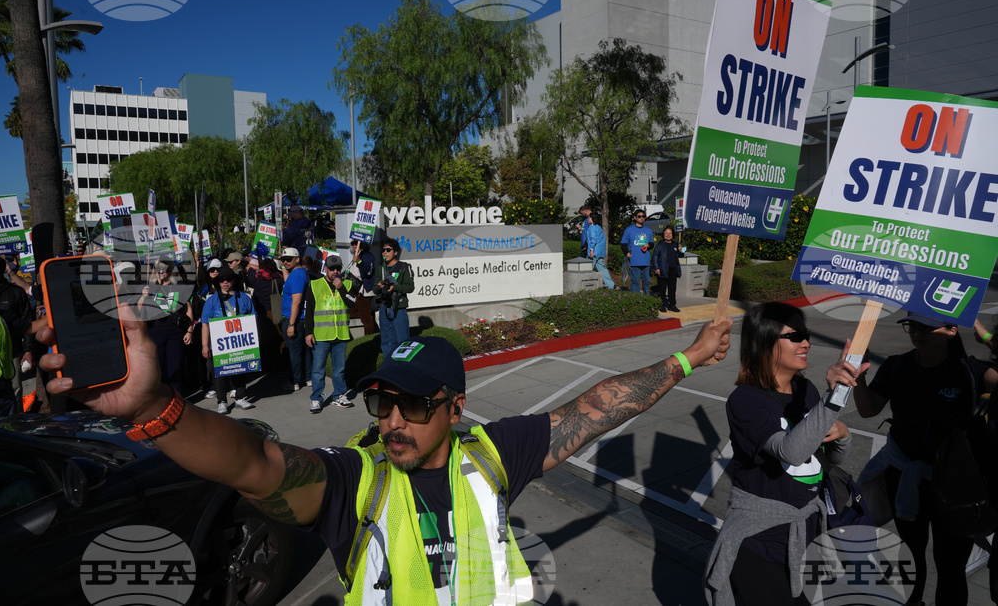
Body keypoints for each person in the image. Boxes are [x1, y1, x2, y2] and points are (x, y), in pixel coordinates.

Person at [37, 294, 732, 604]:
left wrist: (690, 358)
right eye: (382, 401)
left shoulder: (493, 453)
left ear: (456, 409)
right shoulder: (355, 482)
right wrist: (157, 410)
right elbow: (254, 464)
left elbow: (599, 407)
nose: (393, 419)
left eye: (413, 404)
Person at [705, 302, 862, 606]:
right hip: (761, 543)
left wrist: (843, 434)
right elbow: (790, 451)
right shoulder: (745, 401)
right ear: (764, 342)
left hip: (805, 539)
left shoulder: (807, 391)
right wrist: (833, 398)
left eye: (805, 335)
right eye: (794, 336)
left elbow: (824, 461)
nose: (806, 343)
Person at [853, 312, 998, 606]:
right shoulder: (896, 365)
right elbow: (868, 410)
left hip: (955, 484)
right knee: (910, 554)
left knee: (951, 565)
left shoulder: (971, 369)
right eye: (912, 326)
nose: (917, 333)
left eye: (927, 327)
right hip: (905, 476)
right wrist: (859, 376)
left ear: (951, 331)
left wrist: (989, 339)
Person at [200, 265, 257, 413]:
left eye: (228, 279)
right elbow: (205, 324)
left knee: (240, 370)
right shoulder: (211, 301)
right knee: (220, 374)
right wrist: (205, 346)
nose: (225, 282)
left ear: (233, 280)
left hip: (239, 343)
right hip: (219, 345)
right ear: (218, 282)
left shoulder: (244, 298)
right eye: (222, 280)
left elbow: (253, 319)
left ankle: (240, 398)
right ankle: (222, 401)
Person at [304, 254, 357, 413]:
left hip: (340, 334)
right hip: (321, 335)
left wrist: (341, 288)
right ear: (325, 268)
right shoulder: (315, 285)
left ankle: (339, 395)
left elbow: (352, 303)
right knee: (318, 369)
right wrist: (308, 333)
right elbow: (309, 312)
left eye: (338, 269)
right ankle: (316, 399)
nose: (335, 271)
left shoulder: (347, 284)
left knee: (339, 368)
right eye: (332, 268)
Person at [137, 259, 195, 392]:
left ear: (170, 272)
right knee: (159, 368)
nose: (161, 272)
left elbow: (189, 310)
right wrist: (143, 297)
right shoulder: (149, 287)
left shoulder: (179, 287)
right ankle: (163, 400)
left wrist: (189, 331)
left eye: (164, 270)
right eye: (158, 270)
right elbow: (139, 310)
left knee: (175, 368)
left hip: (176, 332)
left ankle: (177, 399)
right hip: (155, 332)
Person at [0, 256, 33, 412]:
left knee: (15, 391)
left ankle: (16, 428)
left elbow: (28, 323)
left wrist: (28, 350)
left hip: (13, 353)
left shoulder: (16, 292)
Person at [375, 237, 415, 357]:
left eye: (388, 250)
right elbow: (374, 289)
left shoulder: (403, 267)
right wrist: (379, 287)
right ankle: (389, 365)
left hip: (398, 308)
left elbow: (410, 287)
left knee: (402, 340)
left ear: (395, 252)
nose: (385, 253)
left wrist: (395, 288)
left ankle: (404, 366)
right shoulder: (380, 269)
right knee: (386, 340)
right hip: (384, 307)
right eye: (383, 250)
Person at [280, 247, 310, 392]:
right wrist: (283, 268)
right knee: (303, 350)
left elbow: (296, 301)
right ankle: (307, 377)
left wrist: (291, 323)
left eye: (288, 260)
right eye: (283, 260)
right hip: (298, 319)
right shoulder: (296, 273)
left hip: (295, 319)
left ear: (297, 259)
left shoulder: (297, 275)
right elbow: (289, 283)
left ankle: (295, 381)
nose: (285, 262)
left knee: (295, 352)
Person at [620, 209, 654, 294]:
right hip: (634, 261)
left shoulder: (648, 230)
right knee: (635, 283)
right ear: (635, 218)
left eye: (643, 216)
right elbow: (623, 243)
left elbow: (652, 243)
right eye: (639, 216)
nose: (641, 218)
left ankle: (647, 300)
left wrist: (648, 245)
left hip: (645, 261)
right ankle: (635, 300)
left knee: (646, 282)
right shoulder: (629, 230)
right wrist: (627, 253)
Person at [347, 240, 377, 335]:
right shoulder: (357, 255)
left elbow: (368, 273)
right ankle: (369, 316)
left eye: (356, 243)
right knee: (349, 313)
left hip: (363, 292)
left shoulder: (368, 256)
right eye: (353, 244)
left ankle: (369, 338)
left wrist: (359, 261)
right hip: (355, 291)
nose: (354, 245)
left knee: (366, 320)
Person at [652, 226, 682, 313]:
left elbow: (680, 256)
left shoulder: (676, 244)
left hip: (673, 270)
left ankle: (672, 305)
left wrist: (680, 250)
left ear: (672, 235)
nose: (668, 235)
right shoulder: (660, 245)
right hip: (662, 269)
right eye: (666, 233)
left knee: (672, 289)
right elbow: (655, 257)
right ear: (663, 235)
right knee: (662, 289)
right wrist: (656, 268)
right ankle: (662, 305)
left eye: (670, 233)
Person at [585, 214, 614, 290]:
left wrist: (591, 250)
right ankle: (611, 285)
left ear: (592, 219)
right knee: (602, 269)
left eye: (589, 217)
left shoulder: (592, 228)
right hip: (600, 252)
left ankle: (586, 286)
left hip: (594, 252)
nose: (588, 219)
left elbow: (593, 240)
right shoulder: (599, 228)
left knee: (587, 268)